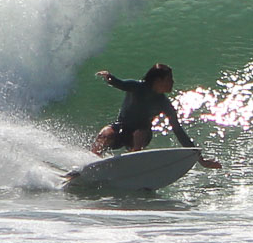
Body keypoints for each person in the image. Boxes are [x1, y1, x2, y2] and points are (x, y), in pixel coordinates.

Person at [90, 63, 221, 168]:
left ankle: (131, 164)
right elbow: (120, 84)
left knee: (139, 133)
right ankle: (89, 163)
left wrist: (201, 160)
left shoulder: (164, 103)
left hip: (142, 134)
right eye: (169, 79)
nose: (173, 82)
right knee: (106, 133)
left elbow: (178, 131)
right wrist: (109, 77)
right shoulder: (137, 87)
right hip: (122, 128)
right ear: (158, 80)